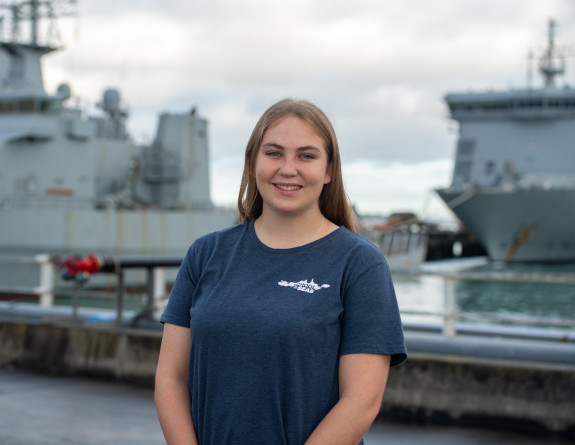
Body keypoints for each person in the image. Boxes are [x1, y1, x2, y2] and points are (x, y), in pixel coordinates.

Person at [154, 98, 407, 445]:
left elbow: (361, 402)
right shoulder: (206, 253)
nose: (288, 169)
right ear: (253, 162)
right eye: (274, 153)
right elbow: (170, 378)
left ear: (329, 170)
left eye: (306, 155)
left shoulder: (360, 263)